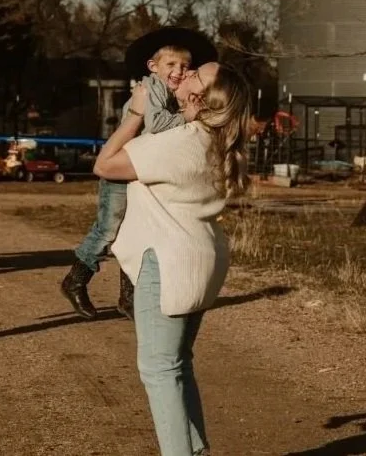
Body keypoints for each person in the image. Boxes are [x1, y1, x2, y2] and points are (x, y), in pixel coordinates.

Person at [93, 62, 253, 456]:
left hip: (168, 262)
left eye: (197, 74)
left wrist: (134, 112)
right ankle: (193, 451)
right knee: (177, 364)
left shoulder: (182, 141)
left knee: (159, 369)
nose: (188, 72)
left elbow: (104, 165)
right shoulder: (213, 141)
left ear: (204, 98)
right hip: (201, 260)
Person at [61, 27, 216, 320]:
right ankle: (76, 278)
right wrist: (187, 116)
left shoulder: (168, 94)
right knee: (108, 228)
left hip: (139, 172)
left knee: (136, 232)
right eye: (171, 65)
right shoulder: (150, 90)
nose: (179, 71)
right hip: (121, 169)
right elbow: (157, 125)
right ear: (152, 66)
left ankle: (128, 298)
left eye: (184, 66)